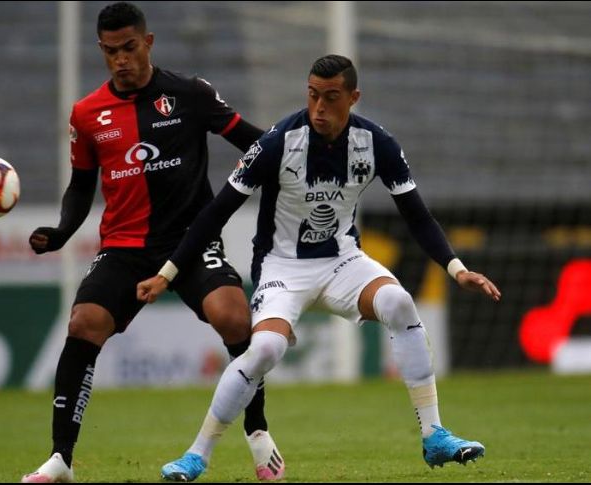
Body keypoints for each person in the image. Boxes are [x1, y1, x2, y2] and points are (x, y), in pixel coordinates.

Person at [137, 54, 502, 482]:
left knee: (400, 303)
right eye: (312, 96)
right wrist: (169, 271)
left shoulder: (376, 143)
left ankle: (435, 435)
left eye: (331, 98)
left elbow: (417, 216)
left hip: (343, 261)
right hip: (283, 266)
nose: (319, 109)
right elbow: (216, 212)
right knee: (266, 351)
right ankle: (196, 455)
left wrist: (456, 269)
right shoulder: (277, 142)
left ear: (353, 98)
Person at [20, 2, 285, 483]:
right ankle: (61, 459)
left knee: (233, 317)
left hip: (189, 240)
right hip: (123, 247)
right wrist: (62, 231)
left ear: (148, 42)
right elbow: (81, 187)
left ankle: (259, 433)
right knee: (83, 324)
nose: (121, 59)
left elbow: (254, 142)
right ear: (100, 50)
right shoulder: (86, 114)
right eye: (109, 51)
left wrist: (296, 159)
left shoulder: (190, 94)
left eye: (129, 47)